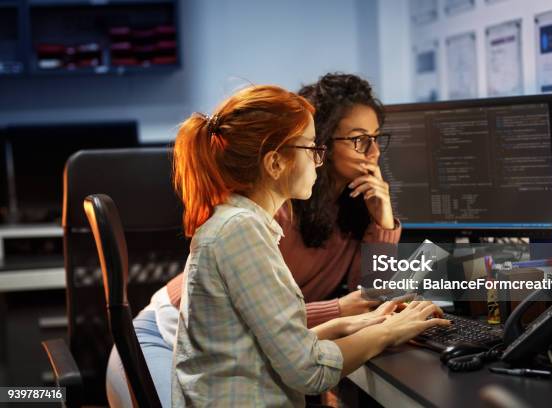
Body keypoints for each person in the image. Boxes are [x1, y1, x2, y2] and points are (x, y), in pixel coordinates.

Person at [105, 74, 415, 407]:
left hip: (231, 357)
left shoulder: (329, 210)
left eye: (376, 137)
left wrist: (382, 222)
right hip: (164, 335)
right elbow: (287, 351)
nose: (373, 151)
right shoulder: (260, 220)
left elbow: (372, 295)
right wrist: (356, 319)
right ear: (277, 161)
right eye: (358, 139)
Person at [168, 84, 449, 406]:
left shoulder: (242, 222)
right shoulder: (243, 231)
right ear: (275, 164)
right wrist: (389, 332)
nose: (318, 160)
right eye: (312, 148)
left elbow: (253, 343)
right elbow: (309, 371)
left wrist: (351, 323)